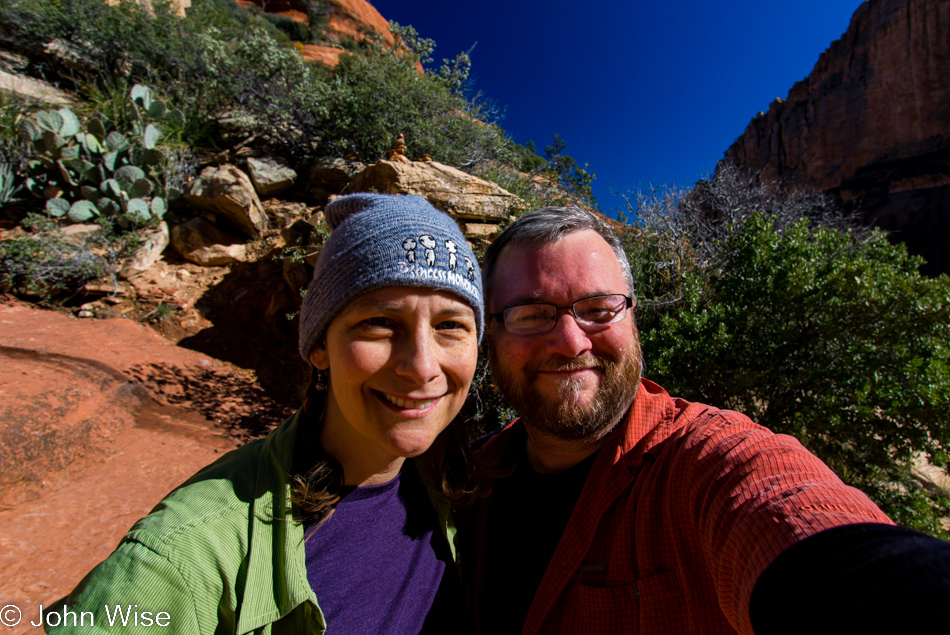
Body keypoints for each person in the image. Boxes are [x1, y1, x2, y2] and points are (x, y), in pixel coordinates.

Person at [468, 206, 950, 634]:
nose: (572, 341)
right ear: (490, 336)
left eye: (598, 309)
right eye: (531, 314)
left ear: (633, 320)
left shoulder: (704, 459)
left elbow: (802, 523)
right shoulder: (465, 478)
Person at [47, 193, 484, 634]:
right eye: (379, 322)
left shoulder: (451, 480)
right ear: (318, 346)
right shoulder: (179, 559)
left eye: (450, 325)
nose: (423, 366)